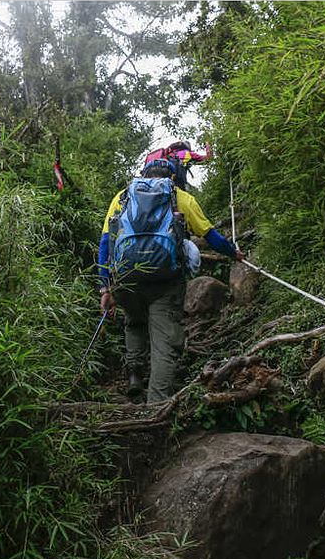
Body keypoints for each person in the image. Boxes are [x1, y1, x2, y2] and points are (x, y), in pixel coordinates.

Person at [98, 158, 243, 403]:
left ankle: (135, 375)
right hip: (165, 281)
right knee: (164, 343)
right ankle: (156, 404)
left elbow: (105, 243)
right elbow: (210, 236)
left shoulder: (122, 197)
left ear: (143, 174)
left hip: (126, 278)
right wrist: (234, 253)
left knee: (134, 323)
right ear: (173, 177)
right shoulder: (179, 197)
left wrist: (105, 286)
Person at [143, 141, 213, 191]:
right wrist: (208, 145)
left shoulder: (169, 153)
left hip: (156, 179)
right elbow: (207, 159)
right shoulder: (188, 153)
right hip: (176, 181)